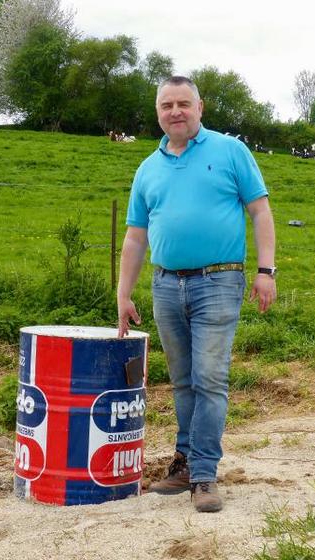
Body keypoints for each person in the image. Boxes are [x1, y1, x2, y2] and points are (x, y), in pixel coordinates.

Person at [116, 76, 277, 513]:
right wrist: (124, 293)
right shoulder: (148, 168)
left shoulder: (230, 151)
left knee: (209, 378)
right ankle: (185, 461)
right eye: (166, 105)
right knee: (183, 380)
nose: (175, 112)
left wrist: (266, 270)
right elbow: (135, 237)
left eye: (183, 103)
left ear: (200, 107)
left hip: (219, 281)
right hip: (166, 283)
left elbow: (260, 211)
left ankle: (204, 475)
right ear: (157, 112)